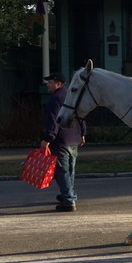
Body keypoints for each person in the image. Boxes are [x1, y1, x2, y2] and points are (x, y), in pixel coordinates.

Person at [41, 72, 86, 212]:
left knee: (62, 171)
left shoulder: (55, 99)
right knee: (70, 170)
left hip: (61, 140)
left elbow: (53, 121)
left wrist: (48, 138)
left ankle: (68, 201)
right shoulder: (72, 95)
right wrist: (83, 133)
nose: (48, 85)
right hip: (74, 138)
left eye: (50, 82)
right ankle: (68, 194)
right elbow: (81, 115)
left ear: (58, 83)